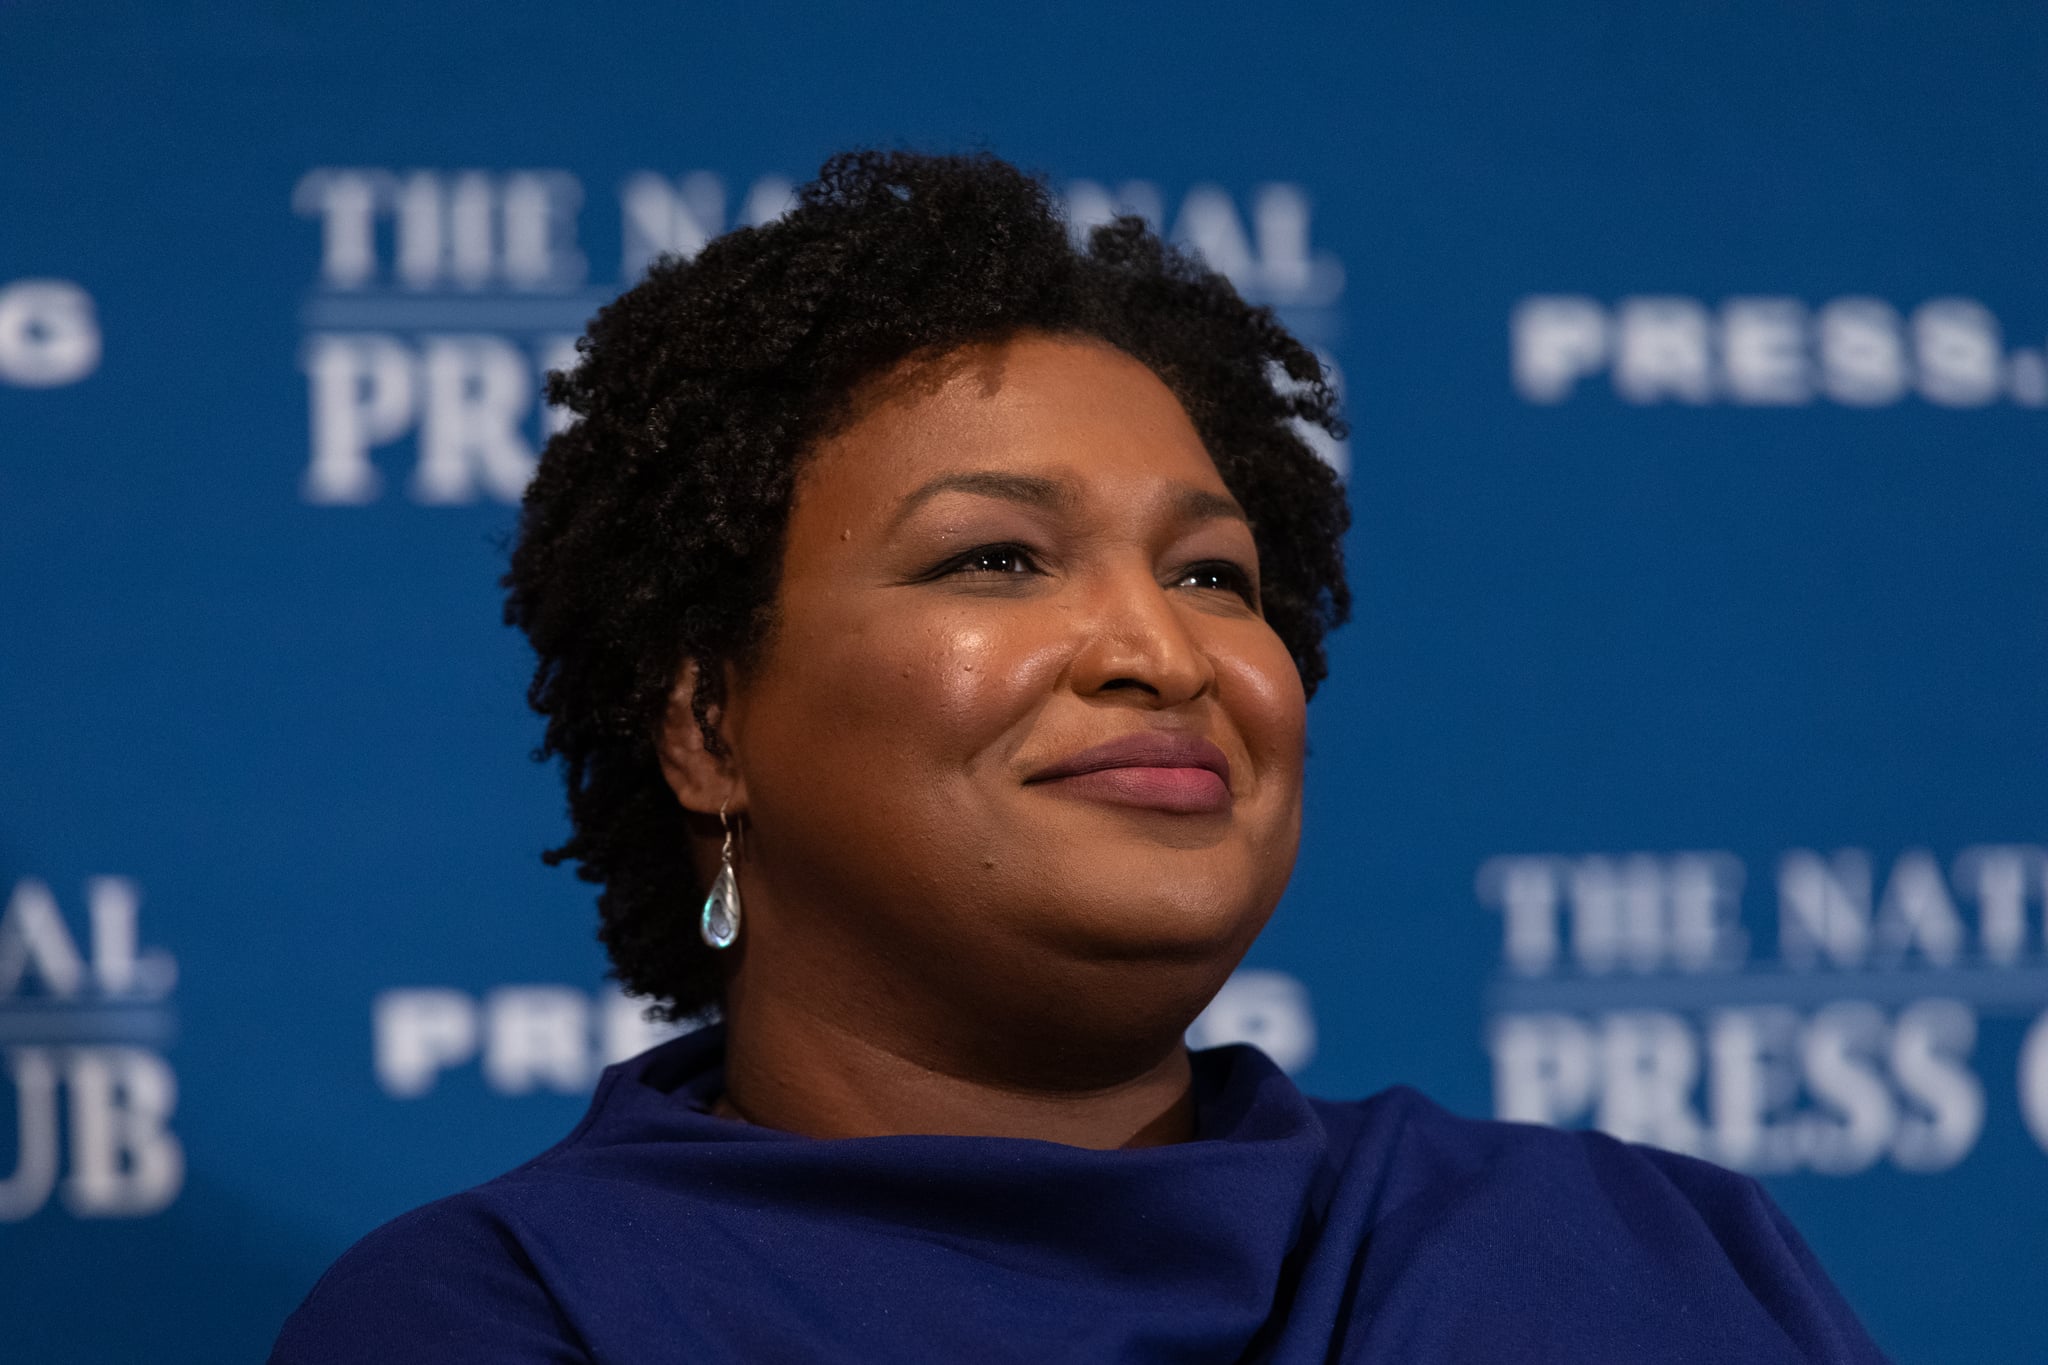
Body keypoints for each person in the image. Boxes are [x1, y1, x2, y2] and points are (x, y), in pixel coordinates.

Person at [270, 150, 1889, 1363]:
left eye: (1213, 577)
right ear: (708, 727)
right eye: (996, 559)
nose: (1163, 650)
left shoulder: (1635, 1252)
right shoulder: (508, 1318)